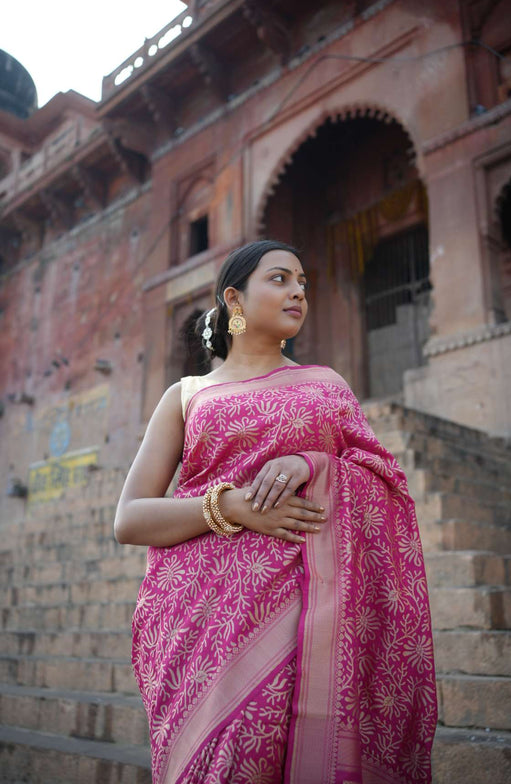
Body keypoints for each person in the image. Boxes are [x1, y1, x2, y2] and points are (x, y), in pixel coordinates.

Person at [115, 240, 437, 784]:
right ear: (234, 298)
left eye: (304, 283)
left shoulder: (326, 385)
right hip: (202, 618)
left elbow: (388, 486)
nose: (297, 293)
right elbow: (129, 519)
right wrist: (231, 507)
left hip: (311, 610)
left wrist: (314, 462)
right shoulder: (187, 395)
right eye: (281, 279)